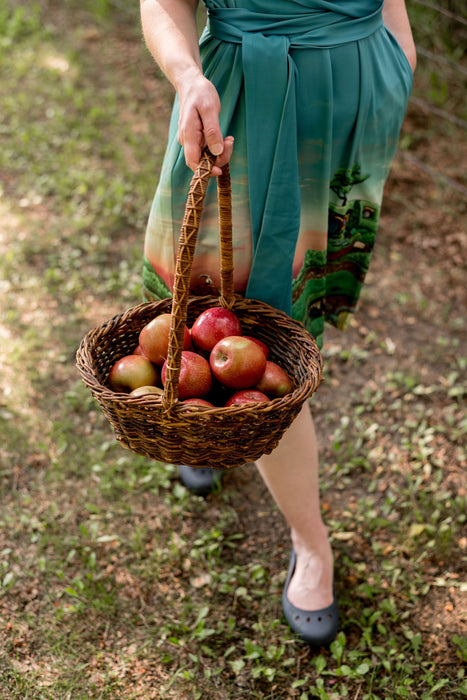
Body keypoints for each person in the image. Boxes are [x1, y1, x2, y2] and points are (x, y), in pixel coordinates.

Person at [140, 0, 416, 646]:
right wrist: (187, 77)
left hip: (351, 103)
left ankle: (213, 427)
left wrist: (395, 64)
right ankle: (309, 541)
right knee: (231, 320)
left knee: (289, 313)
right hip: (244, 104)